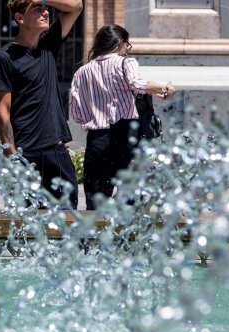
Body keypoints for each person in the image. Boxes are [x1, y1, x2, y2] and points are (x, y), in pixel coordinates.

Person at [0, 0, 83, 209]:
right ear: (20, 18)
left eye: (45, 8)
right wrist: (12, 157)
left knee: (67, 224)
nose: (46, 12)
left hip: (57, 153)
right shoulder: (4, 59)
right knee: (27, 229)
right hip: (26, 154)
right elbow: (2, 110)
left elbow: (76, 6)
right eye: (38, 10)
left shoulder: (48, 46)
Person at [69, 24, 176, 210]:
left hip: (96, 140)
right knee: (129, 202)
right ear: (120, 42)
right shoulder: (125, 63)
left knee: (95, 204)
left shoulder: (81, 73)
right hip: (125, 137)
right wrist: (165, 88)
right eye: (127, 45)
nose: (127, 50)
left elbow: (77, 114)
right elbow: (137, 84)